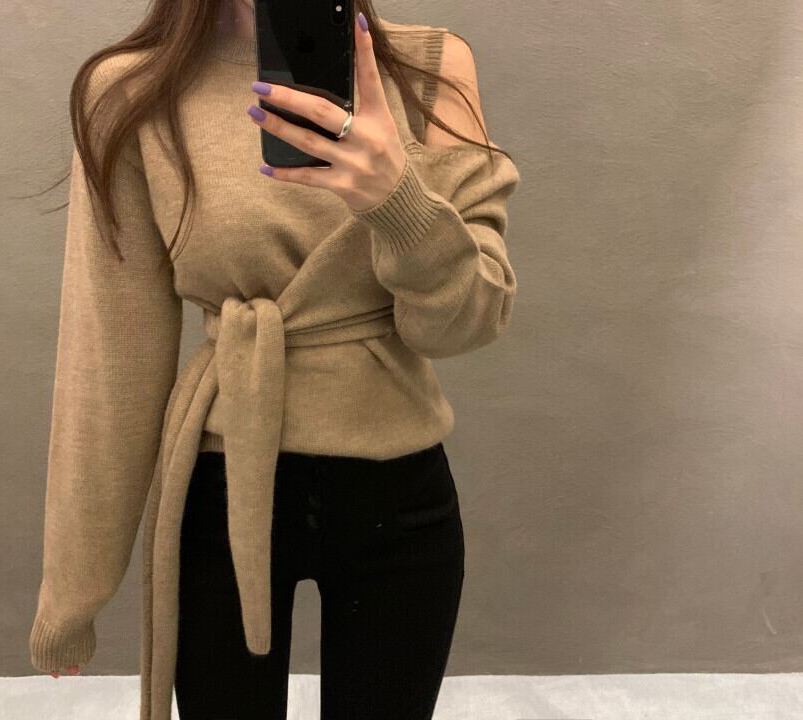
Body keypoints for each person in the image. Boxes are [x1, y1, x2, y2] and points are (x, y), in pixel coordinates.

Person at [28, 1, 521, 718]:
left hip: (399, 503)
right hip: (222, 490)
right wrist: (74, 591)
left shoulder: (431, 71)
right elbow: (111, 361)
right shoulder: (132, 93)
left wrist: (396, 200)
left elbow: (469, 321)